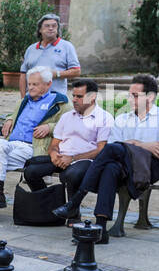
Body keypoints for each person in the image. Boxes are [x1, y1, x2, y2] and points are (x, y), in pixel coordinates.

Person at [52, 73, 159, 241]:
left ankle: (75, 202)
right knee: (110, 168)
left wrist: (134, 144)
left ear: (150, 97)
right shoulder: (122, 118)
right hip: (122, 166)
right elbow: (112, 150)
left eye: (135, 95)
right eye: (129, 94)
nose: (129, 99)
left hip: (149, 168)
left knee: (115, 151)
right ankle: (101, 229)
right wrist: (144, 145)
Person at [0, 66, 65, 222]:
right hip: (10, 144)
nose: (30, 87)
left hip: (33, 148)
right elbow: (14, 114)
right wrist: (10, 119)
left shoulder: (60, 102)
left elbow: (72, 125)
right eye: (29, 84)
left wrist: (49, 127)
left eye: (35, 84)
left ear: (48, 84)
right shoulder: (25, 99)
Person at [22, 77, 114, 216]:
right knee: (31, 172)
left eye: (79, 96)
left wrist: (72, 158)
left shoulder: (104, 118)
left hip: (86, 160)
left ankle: (73, 213)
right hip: (61, 157)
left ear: (92, 97)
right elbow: (55, 143)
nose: (74, 100)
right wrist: (53, 154)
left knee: (71, 175)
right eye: (74, 96)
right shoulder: (67, 116)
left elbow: (101, 149)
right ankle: (50, 207)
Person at [19, 13, 80, 97]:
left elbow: (76, 71)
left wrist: (57, 74)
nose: (51, 28)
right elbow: (23, 75)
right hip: (32, 98)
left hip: (55, 99)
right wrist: (23, 98)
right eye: (47, 26)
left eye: (54, 26)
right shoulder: (31, 49)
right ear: (40, 29)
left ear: (57, 29)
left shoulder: (67, 46)